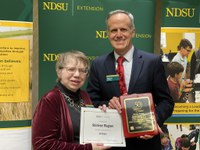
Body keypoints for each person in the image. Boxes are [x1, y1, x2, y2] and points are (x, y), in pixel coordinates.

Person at [87, 9, 174, 150]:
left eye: (124, 29)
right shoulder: (98, 64)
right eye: (113, 30)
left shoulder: (152, 62)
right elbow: (91, 101)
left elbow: (166, 101)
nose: (119, 35)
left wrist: (152, 122)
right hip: (110, 143)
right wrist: (107, 104)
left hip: (146, 143)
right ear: (108, 34)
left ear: (133, 32)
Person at [32, 51, 110, 150]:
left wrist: (99, 116)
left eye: (82, 70)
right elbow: (42, 145)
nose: (77, 74)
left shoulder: (84, 96)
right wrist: (88, 148)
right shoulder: (50, 99)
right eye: (71, 69)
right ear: (59, 72)